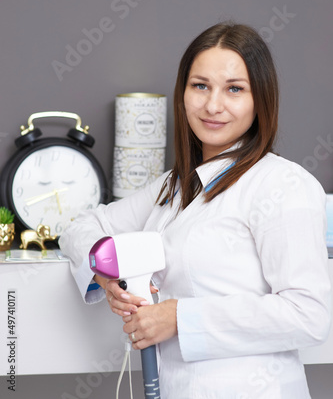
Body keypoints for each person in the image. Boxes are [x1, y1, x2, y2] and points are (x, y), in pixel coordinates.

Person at [59, 22, 331, 398]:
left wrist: (177, 318)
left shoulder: (282, 185)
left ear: (260, 100)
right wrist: (109, 277)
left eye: (235, 89)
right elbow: (81, 226)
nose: (213, 105)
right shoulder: (173, 186)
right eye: (200, 86)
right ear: (182, 93)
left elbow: (309, 316)